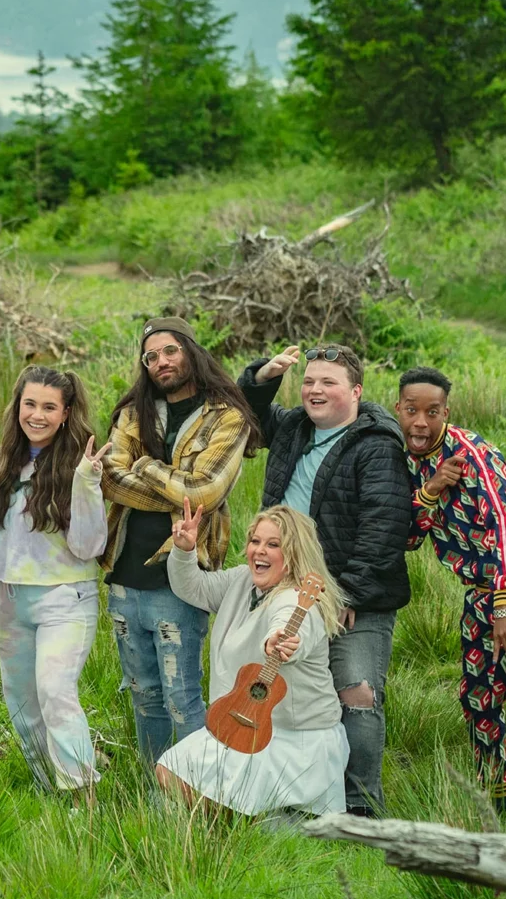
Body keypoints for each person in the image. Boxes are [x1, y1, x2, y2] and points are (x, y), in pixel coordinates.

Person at [238, 343, 411, 817]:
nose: (314, 390)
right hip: (287, 591)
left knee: (356, 693)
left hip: (354, 596)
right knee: (287, 693)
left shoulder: (376, 445)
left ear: (355, 392)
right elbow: (244, 413)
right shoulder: (294, 427)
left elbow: (384, 525)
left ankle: (361, 809)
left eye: (328, 383)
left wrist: (347, 593)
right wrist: (264, 376)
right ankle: (302, 798)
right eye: (309, 381)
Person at [396, 367, 506, 821]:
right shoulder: (404, 460)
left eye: (432, 412)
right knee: (478, 690)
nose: (421, 422)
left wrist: (504, 602)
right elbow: (408, 537)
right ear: (399, 409)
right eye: (411, 411)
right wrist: (431, 490)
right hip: (479, 584)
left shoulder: (470, 451)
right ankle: (497, 796)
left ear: (446, 412)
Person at [0, 366, 111, 797]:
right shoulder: (6, 460)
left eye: (49, 407)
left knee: (55, 691)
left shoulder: (78, 465)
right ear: (17, 406)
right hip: (6, 601)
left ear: (66, 413)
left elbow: (89, 546)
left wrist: (88, 484)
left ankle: (82, 794)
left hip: (64, 599)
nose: (37, 415)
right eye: (29, 404)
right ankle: (48, 789)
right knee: (21, 702)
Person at [101, 318, 260, 770]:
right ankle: (155, 788)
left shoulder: (227, 416)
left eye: (169, 351)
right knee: (144, 696)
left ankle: (192, 789)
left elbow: (205, 492)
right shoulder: (134, 413)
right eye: (150, 356)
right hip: (124, 576)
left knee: (181, 698)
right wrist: (176, 487)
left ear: (191, 351)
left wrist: (145, 465)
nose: (160, 362)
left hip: (180, 580)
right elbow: (109, 479)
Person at [155, 500, 350, 817]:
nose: (260, 550)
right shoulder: (241, 580)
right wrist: (184, 550)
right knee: (171, 770)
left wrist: (280, 641)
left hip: (295, 738)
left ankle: (236, 830)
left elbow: (292, 625)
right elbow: (194, 587)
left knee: (181, 777)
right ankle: (235, 828)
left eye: (273, 544)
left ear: (294, 553)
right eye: (255, 541)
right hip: (243, 725)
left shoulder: (299, 598)